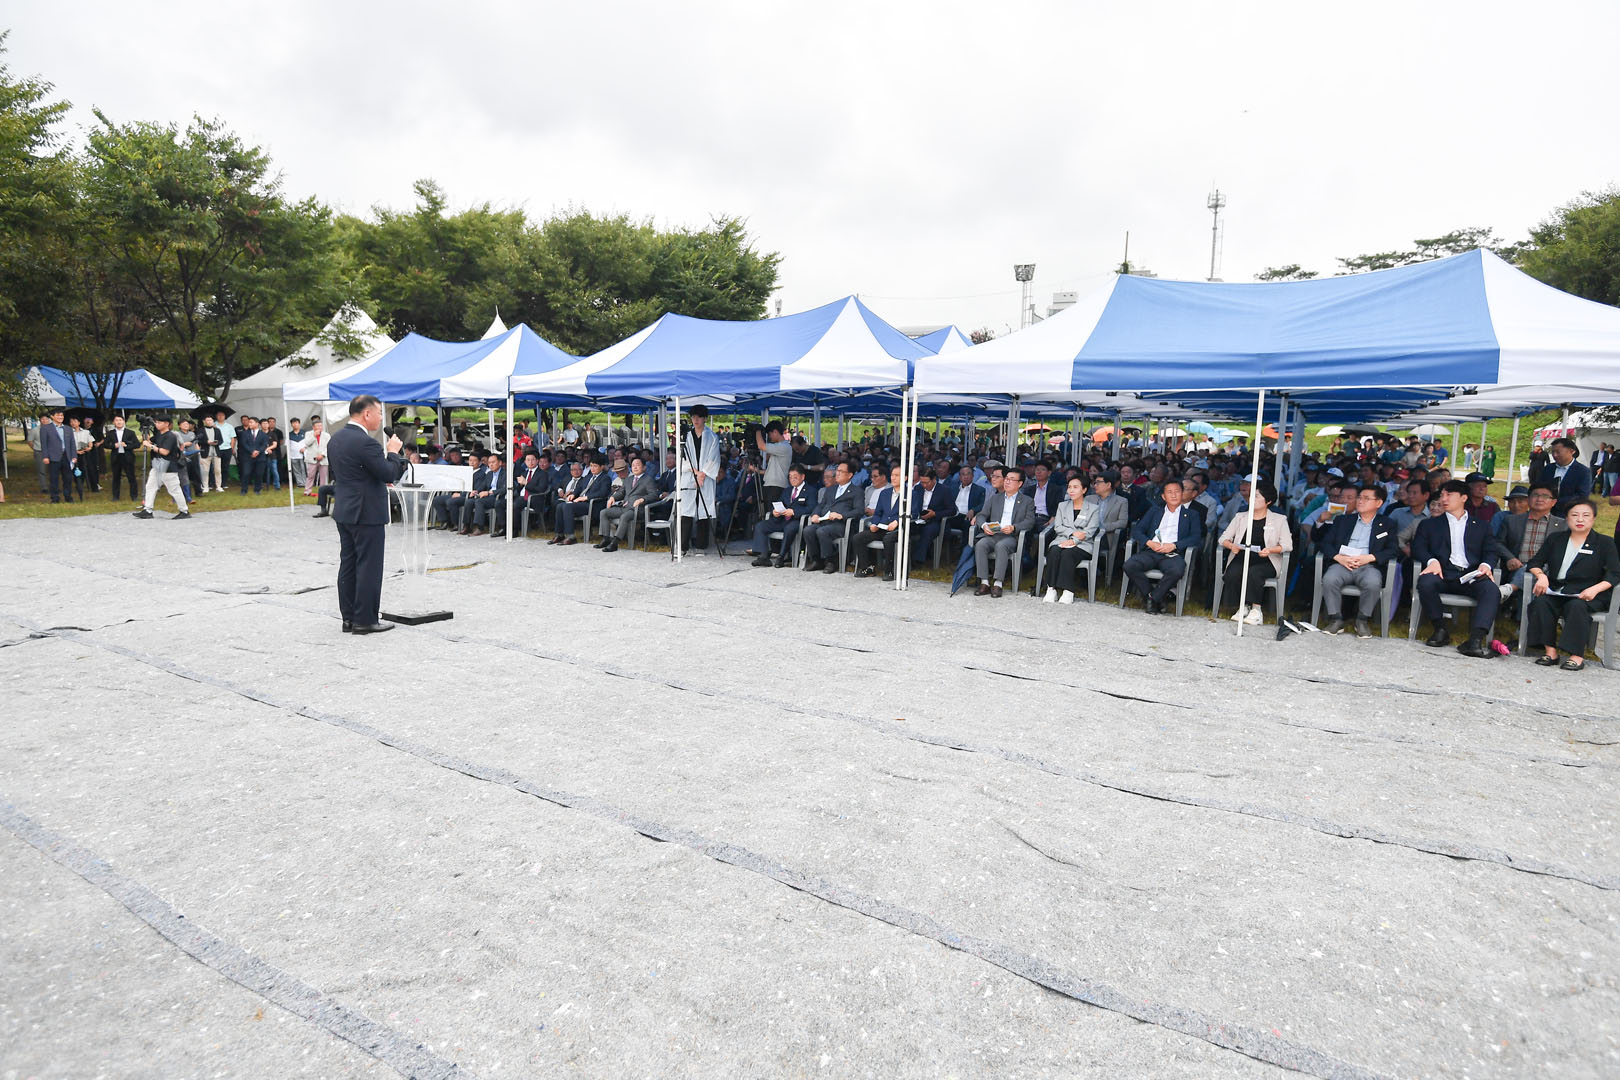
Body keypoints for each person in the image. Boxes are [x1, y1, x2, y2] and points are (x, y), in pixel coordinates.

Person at [327, 396, 406, 634]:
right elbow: (388, 473)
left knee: (349, 564)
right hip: (367, 511)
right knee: (369, 566)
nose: (381, 418)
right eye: (379, 413)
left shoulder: (336, 439)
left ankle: (349, 618)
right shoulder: (366, 443)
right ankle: (365, 619)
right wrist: (393, 452)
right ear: (367, 414)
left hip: (345, 509)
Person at [1523, 500, 1620, 671]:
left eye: (1586, 515)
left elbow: (1615, 573)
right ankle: (1550, 652)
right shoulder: (1556, 539)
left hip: (1588, 593)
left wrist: (1595, 589)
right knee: (1540, 602)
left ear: (1593, 519)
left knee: (1576, 606)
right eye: (1574, 515)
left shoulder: (1605, 543)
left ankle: (1576, 655)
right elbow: (1534, 562)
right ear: (1567, 519)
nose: (1580, 519)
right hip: (1558, 590)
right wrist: (1541, 576)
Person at [1412, 479, 1499, 656]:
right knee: (1426, 582)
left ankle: (1475, 639)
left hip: (1470, 575)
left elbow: (1491, 550)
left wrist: (1485, 565)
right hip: (1442, 572)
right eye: (1442, 495)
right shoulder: (1429, 524)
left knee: (1491, 590)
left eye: (1449, 495)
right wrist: (1431, 560)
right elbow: (1418, 548)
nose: (1443, 499)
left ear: (1463, 498)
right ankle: (1440, 629)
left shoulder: (1481, 526)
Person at [1318, 483, 1400, 637]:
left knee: (1373, 583)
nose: (1360, 501)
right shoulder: (1343, 520)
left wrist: (1369, 558)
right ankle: (1336, 619)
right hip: (1343, 563)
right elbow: (1325, 543)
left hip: (1368, 565)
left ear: (1378, 503)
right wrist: (1339, 558)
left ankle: (1362, 620)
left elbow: (1393, 549)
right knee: (1329, 579)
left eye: (1366, 498)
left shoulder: (1387, 524)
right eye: (1360, 497)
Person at [1217, 479, 1291, 625]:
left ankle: (1256, 610)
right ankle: (1243, 606)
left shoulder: (1279, 520)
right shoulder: (1240, 517)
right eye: (1251, 495)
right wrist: (1231, 546)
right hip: (1242, 556)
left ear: (1268, 501)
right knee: (1232, 573)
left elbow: (1287, 545)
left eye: (1256, 496)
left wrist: (1270, 550)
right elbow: (1223, 538)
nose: (1251, 499)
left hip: (1267, 559)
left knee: (1254, 573)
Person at [1123, 477, 1201, 614]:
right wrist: (1149, 542)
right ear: (1164, 496)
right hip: (1151, 551)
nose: (1173, 495)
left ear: (1182, 494)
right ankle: (1154, 597)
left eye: (1177, 491)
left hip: (1172, 553)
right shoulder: (1155, 511)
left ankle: (1152, 598)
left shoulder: (1191, 514)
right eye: (1169, 492)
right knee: (1130, 565)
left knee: (1177, 570)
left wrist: (1174, 545)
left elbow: (1195, 537)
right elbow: (1137, 530)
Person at [1493, 483, 1565, 602]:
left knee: (1533, 570)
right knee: (1530, 573)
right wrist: (1510, 557)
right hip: (1517, 567)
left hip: (1547, 570)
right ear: (1529, 499)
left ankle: (1510, 588)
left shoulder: (1563, 525)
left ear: (1553, 502)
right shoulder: (1511, 520)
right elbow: (1497, 543)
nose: (1539, 499)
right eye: (1535, 495)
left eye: (1545, 496)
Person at [972, 468, 1034, 597]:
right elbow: (981, 515)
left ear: (1020, 483)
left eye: (1012, 480)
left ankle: (998, 583)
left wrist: (1014, 527)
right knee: (981, 544)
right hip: (994, 534)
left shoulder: (1027, 501)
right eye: (1006, 479)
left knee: (1001, 546)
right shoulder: (995, 498)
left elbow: (1030, 521)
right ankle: (984, 582)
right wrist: (984, 525)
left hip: (1011, 536)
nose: (1007, 482)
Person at [1041, 475, 1100, 604]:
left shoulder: (1093, 509)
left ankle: (1068, 590)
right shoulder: (1062, 506)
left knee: (1068, 553)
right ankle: (1051, 588)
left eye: (1075, 487)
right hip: (1061, 540)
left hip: (1083, 544)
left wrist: (1074, 541)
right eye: (1069, 487)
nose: (1071, 490)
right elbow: (1058, 527)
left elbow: (1089, 531)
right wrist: (1073, 533)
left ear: (1084, 490)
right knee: (1054, 551)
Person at [678, 404, 722, 554]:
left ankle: (701, 546)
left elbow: (713, 458)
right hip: (690, 475)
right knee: (686, 510)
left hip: (705, 477)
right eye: (693, 417)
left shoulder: (712, 437)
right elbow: (683, 458)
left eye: (699, 417)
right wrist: (696, 473)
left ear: (704, 418)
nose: (695, 420)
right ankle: (683, 546)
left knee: (704, 511)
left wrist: (702, 474)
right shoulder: (686, 436)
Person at [750, 465, 814, 567]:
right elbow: (779, 502)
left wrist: (794, 512)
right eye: (790, 477)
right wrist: (775, 511)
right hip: (782, 519)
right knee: (760, 526)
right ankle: (763, 556)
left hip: (797, 521)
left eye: (795, 477)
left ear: (803, 477)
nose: (792, 479)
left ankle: (781, 557)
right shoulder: (787, 490)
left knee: (789, 529)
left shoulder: (811, 491)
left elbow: (811, 508)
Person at [803, 461, 861, 573]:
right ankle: (816, 560)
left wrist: (841, 515)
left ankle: (830, 561)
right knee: (808, 530)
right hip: (825, 521)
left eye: (841, 471)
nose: (837, 473)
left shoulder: (857, 491)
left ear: (850, 475)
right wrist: (815, 514)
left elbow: (859, 511)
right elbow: (821, 505)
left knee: (822, 531)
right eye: (837, 471)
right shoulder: (831, 489)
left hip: (841, 524)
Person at [131, 416, 190, 520]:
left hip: (168, 466)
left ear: (166, 424)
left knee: (174, 489)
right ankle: (148, 510)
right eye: (156, 422)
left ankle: (184, 511)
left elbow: (165, 451)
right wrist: (145, 432)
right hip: (157, 464)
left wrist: (151, 446)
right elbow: (149, 441)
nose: (157, 424)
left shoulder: (170, 436)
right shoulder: (159, 435)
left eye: (159, 422)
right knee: (150, 486)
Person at [854, 465, 906, 580]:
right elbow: (878, 513)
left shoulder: (911, 494)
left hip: (900, 528)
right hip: (882, 527)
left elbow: (914, 513)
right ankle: (867, 567)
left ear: (905, 478)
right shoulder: (885, 493)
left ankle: (889, 571)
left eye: (897, 475)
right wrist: (874, 523)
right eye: (892, 475)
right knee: (858, 538)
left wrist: (898, 522)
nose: (893, 478)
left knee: (888, 539)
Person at [597, 456, 656, 552]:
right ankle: (606, 539)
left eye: (638, 465)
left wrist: (642, 499)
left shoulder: (648, 479)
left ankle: (615, 542)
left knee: (624, 516)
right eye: (633, 465)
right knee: (604, 512)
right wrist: (613, 497)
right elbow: (621, 492)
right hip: (625, 507)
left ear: (644, 467)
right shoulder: (629, 479)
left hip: (637, 509)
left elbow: (654, 494)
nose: (635, 467)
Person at [554, 454, 612, 544]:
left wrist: (585, 497)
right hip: (582, 503)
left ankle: (571, 536)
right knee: (560, 506)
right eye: (591, 466)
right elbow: (579, 487)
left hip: (593, 504)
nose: (592, 468)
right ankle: (559, 534)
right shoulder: (588, 476)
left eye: (595, 466)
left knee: (567, 507)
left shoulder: (605, 478)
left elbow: (603, 493)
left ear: (602, 467)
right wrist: (573, 494)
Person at [1536, 437, 1592, 517]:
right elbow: (1538, 487)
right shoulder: (1548, 469)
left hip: (1567, 514)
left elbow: (1582, 496)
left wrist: (1554, 502)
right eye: (1553, 452)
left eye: (1558, 452)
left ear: (1572, 451)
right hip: (1544, 513)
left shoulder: (1583, 471)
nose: (1555, 455)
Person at [39, 407, 77, 503]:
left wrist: (74, 456)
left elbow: (72, 443)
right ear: (52, 417)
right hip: (53, 456)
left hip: (66, 456)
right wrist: (45, 456)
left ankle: (68, 496)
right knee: (54, 478)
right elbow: (44, 444)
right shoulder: (46, 428)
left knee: (68, 478)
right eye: (58, 415)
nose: (60, 417)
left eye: (61, 415)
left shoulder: (68, 429)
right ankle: (55, 497)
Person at [462, 451, 505, 536]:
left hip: (498, 497)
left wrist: (489, 492)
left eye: (493, 462)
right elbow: (483, 486)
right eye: (489, 463)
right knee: (469, 501)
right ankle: (467, 526)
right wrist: (476, 491)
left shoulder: (505, 474)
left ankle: (479, 527)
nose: (491, 465)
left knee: (479, 502)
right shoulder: (489, 474)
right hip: (488, 497)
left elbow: (505, 489)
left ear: (500, 463)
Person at [754, 421, 791, 508]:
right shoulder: (780, 446)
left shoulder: (784, 446)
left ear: (775, 432)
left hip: (776, 486)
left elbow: (761, 446)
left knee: (772, 512)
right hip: (772, 484)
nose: (769, 437)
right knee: (766, 510)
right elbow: (773, 470)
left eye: (769, 434)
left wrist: (757, 431)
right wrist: (756, 470)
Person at [104, 415, 140, 502]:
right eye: (116, 420)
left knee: (131, 477)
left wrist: (127, 446)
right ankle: (115, 496)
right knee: (116, 477)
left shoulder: (130, 432)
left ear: (124, 421)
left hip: (127, 457)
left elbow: (137, 444)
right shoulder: (110, 433)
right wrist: (113, 445)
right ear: (114, 422)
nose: (119, 422)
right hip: (116, 457)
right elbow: (105, 444)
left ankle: (134, 496)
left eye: (120, 420)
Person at [237, 416, 268, 494]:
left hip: (260, 457)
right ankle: (244, 490)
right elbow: (244, 444)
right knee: (246, 473)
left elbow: (264, 445)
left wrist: (258, 451)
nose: (249, 424)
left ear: (257, 423)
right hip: (248, 457)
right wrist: (252, 451)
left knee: (259, 474)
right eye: (249, 422)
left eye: (251, 422)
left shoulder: (263, 434)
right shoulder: (244, 433)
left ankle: (257, 489)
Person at [197, 414, 226, 493]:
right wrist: (207, 442)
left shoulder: (217, 430)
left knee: (218, 470)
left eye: (210, 420)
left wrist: (216, 443)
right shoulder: (201, 430)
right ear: (204, 421)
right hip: (205, 452)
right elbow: (198, 440)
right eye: (207, 420)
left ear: (213, 421)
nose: (209, 422)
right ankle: (205, 486)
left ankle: (218, 486)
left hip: (216, 453)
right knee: (205, 471)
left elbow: (221, 440)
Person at [302, 418, 331, 496]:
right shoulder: (308, 434)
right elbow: (307, 443)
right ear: (313, 427)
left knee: (323, 477)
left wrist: (323, 454)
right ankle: (307, 491)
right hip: (312, 458)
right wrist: (314, 436)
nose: (320, 427)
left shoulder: (326, 435)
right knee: (310, 476)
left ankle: (323, 491)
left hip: (323, 458)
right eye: (318, 426)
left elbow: (328, 446)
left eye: (321, 426)